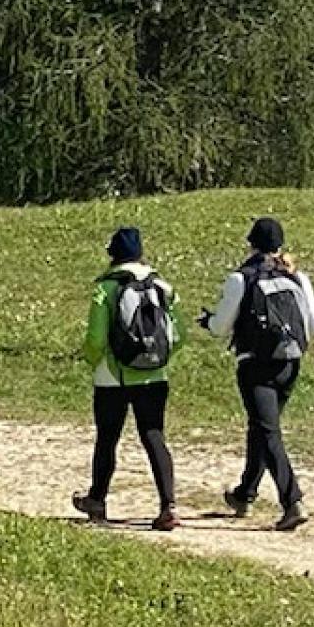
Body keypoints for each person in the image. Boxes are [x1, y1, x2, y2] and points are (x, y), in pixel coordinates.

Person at [200, 214, 314, 531]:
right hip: (290, 363)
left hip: (255, 365)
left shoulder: (240, 279)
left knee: (268, 431)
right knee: (263, 427)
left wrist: (207, 321)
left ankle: (292, 501)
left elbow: (221, 327)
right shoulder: (297, 278)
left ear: (251, 243)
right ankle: (245, 493)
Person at [72, 224, 178, 530]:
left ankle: (98, 500)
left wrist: (93, 362)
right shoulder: (163, 286)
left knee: (107, 439)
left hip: (112, 378)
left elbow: (95, 339)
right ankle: (168, 505)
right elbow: (178, 333)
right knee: (154, 435)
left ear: (112, 256)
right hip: (155, 375)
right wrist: (159, 359)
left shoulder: (105, 289)